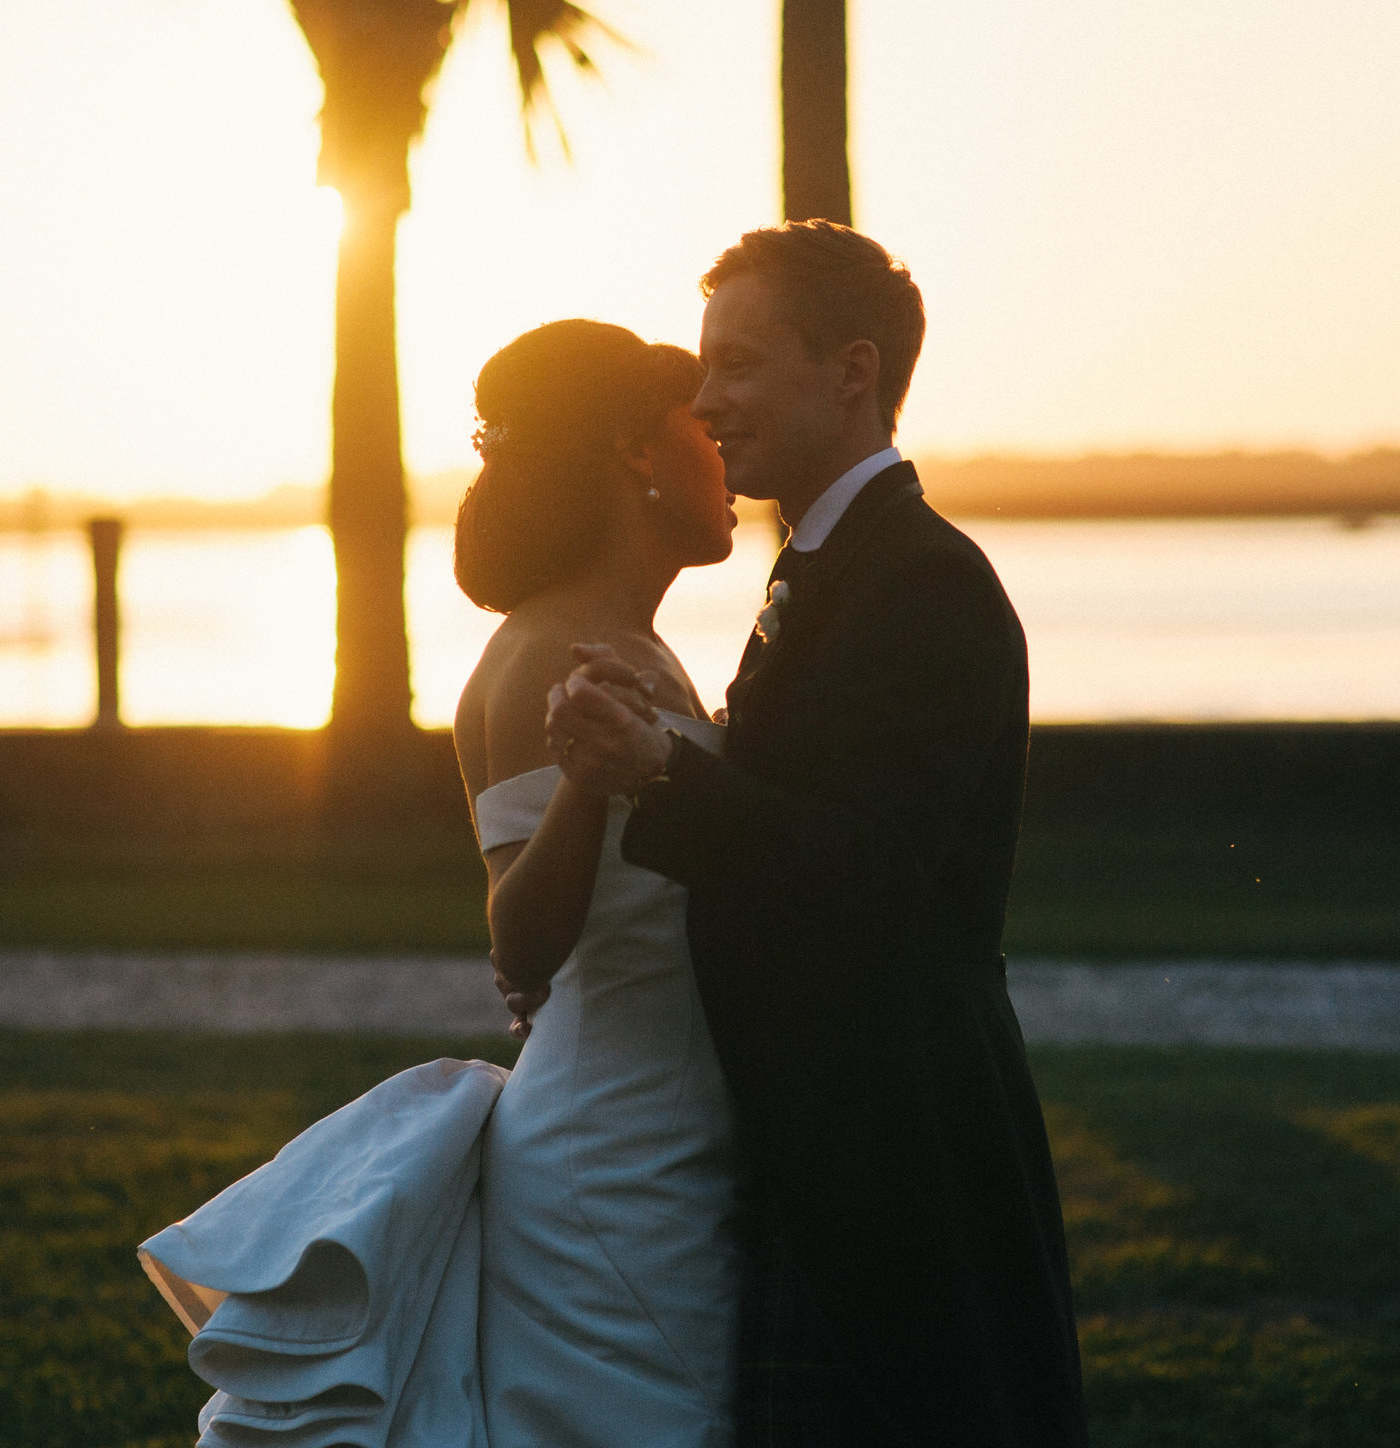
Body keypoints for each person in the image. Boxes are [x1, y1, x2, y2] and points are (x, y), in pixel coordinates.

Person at [134, 319, 746, 1448]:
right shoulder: (540, 654)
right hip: (615, 1156)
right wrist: (584, 783)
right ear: (635, 450)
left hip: (675, 1119)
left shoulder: (635, 642)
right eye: (697, 422)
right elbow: (521, 941)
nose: (725, 448)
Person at [545, 223, 1088, 1448]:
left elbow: (877, 872)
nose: (704, 398)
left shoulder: (925, 580)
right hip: (833, 1136)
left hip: (902, 1147)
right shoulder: (823, 565)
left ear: (850, 371)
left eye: (736, 363)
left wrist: (660, 770)